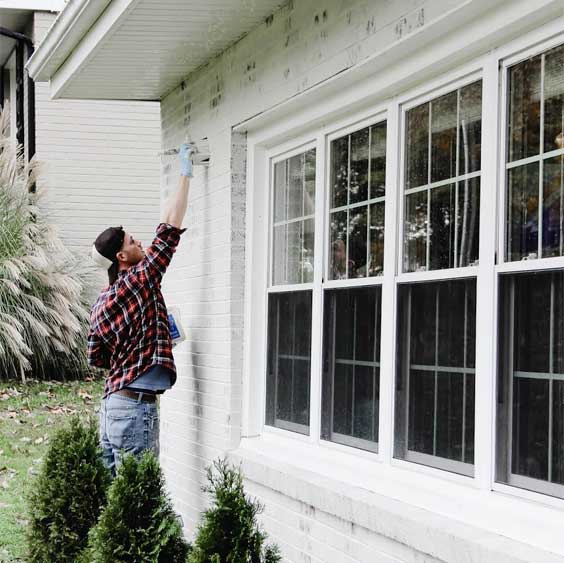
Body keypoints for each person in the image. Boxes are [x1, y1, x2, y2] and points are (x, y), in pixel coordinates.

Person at [87, 144, 193, 475]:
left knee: (116, 502)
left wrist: (141, 343)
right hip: (134, 409)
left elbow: (97, 357)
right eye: (133, 242)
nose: (140, 244)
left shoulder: (102, 300)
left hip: (111, 407)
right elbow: (168, 230)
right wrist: (185, 175)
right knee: (138, 503)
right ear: (121, 257)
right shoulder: (139, 280)